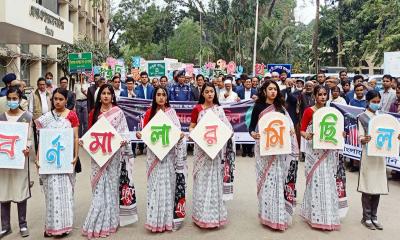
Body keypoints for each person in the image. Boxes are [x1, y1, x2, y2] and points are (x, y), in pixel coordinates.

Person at [82, 84, 138, 238]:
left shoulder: (118, 112)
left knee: (112, 188)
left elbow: (124, 133)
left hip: (113, 156)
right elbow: (90, 134)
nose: (106, 96)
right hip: (98, 157)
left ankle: (111, 222)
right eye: (103, 93)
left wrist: (122, 141)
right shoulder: (93, 112)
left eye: (109, 93)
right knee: (99, 189)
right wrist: (83, 142)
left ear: (113, 96)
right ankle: (95, 221)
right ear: (99, 96)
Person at [248, 80, 299, 230]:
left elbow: (288, 125)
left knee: (278, 180)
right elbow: (251, 127)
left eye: (275, 89)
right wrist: (253, 134)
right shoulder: (258, 107)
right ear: (264, 91)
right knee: (266, 182)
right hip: (264, 150)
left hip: (279, 150)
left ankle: (279, 215)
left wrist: (290, 131)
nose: (273, 92)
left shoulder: (281, 108)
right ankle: (267, 215)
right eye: (270, 89)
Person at [136, 87, 187, 232]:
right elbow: (145, 133)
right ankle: (154, 220)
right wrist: (140, 135)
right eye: (158, 95)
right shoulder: (149, 113)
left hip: (169, 156)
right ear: (154, 97)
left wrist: (180, 137)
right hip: (154, 157)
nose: (161, 97)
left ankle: (167, 221)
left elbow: (177, 132)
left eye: (164, 95)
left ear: (167, 97)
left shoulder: (171, 113)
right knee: (155, 186)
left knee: (168, 186)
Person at [300, 85, 347, 230]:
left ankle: (329, 215)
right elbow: (301, 130)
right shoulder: (309, 111)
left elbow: (338, 130)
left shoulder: (332, 112)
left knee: (328, 181)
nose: (322, 97)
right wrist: (306, 135)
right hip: (314, 152)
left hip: (329, 152)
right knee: (315, 181)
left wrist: (342, 135)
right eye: (319, 94)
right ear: (314, 96)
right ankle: (313, 215)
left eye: (324, 94)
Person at [34, 88, 79, 237]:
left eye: (61, 99)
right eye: (55, 99)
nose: (57, 102)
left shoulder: (71, 115)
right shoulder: (46, 117)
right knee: (51, 195)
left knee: (65, 193)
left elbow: (75, 138)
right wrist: (38, 157)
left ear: (66, 100)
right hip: (49, 163)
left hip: (65, 161)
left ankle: (64, 227)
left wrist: (76, 156)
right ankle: (51, 227)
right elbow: (43, 139)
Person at [189, 82, 235, 228]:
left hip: (215, 152)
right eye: (207, 91)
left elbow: (228, 128)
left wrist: (226, 135)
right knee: (202, 180)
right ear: (202, 94)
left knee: (214, 181)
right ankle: (200, 215)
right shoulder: (197, 109)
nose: (209, 94)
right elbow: (192, 127)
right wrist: (193, 135)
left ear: (215, 94)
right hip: (201, 151)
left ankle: (215, 216)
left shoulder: (218, 110)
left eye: (212, 92)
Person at [357, 90, 397, 230]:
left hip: (380, 157)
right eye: (373, 102)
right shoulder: (361, 117)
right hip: (368, 156)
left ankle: (374, 216)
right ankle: (366, 217)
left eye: (377, 102)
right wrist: (364, 139)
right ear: (367, 101)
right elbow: (360, 137)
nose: (376, 104)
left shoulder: (382, 118)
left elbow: (390, 135)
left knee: (378, 186)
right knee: (368, 186)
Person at [0, 87, 32, 238]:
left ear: (20, 99)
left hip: (20, 160)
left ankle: (23, 224)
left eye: (15, 99)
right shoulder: (1, 117)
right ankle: (5, 226)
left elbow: (30, 139)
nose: (12, 101)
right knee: (3, 190)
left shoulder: (27, 117)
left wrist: (27, 148)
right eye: (10, 99)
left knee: (20, 190)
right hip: (4, 161)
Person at [29, 77, 51, 152]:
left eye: (43, 84)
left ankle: (45, 152)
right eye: (40, 84)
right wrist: (32, 118)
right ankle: (38, 154)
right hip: (37, 118)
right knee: (37, 137)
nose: (42, 86)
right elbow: (30, 107)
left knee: (46, 135)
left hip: (47, 117)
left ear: (45, 85)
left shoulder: (48, 93)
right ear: (37, 85)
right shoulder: (33, 93)